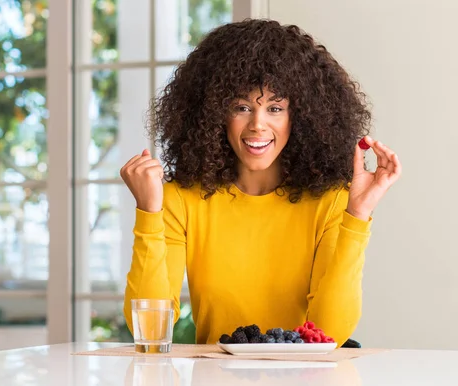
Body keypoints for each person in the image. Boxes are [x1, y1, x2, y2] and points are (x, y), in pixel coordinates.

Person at [120, 19, 401, 346]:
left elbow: (331, 335)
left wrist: (358, 216)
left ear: (301, 117)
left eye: (275, 108)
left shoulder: (332, 202)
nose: (257, 124)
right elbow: (149, 334)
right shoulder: (182, 199)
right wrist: (149, 213)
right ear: (214, 113)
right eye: (241, 107)